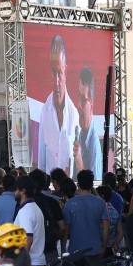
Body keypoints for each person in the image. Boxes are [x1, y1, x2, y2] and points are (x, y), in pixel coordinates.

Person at [63, 170, 108, 266]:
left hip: (76, 250)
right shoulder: (100, 203)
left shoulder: (70, 204)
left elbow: (66, 230)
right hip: (95, 248)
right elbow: (106, 227)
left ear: (78, 183)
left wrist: (65, 247)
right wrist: (104, 245)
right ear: (92, 183)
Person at [38, 35, 78, 174]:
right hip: (49, 186)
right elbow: (42, 155)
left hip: (69, 187)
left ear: (65, 70)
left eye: (59, 73)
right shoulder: (45, 111)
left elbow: (77, 156)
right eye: (53, 72)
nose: (56, 80)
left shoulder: (73, 113)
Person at [72, 67, 102, 178]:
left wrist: (79, 161)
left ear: (92, 105)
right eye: (79, 98)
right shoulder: (80, 135)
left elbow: (95, 186)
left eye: (84, 100)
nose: (79, 106)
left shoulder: (93, 142)